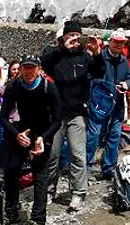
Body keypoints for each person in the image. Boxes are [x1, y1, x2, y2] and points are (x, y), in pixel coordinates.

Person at [0, 55, 61, 225]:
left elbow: (58, 119)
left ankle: (38, 221)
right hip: (22, 132)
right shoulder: (14, 87)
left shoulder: (47, 87)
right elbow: (3, 118)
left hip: (43, 135)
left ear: (39, 68)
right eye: (26, 67)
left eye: (32, 68)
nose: (29, 71)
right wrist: (16, 134)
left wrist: (44, 138)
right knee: (11, 171)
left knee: (40, 177)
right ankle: (11, 212)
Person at [41, 20, 102, 212]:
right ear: (64, 38)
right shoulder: (56, 57)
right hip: (57, 114)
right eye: (70, 37)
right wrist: (62, 48)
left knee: (77, 154)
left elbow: (100, 71)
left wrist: (98, 54)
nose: (74, 41)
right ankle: (50, 190)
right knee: (53, 155)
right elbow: (45, 62)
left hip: (77, 113)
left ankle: (78, 193)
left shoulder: (86, 57)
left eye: (77, 37)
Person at [86, 30, 130, 179]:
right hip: (99, 104)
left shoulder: (123, 60)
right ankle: (85, 168)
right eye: (116, 41)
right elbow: (92, 77)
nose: (119, 44)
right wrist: (111, 87)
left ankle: (109, 168)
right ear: (110, 41)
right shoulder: (99, 57)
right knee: (93, 135)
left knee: (114, 135)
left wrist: (126, 84)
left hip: (117, 104)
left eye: (121, 42)